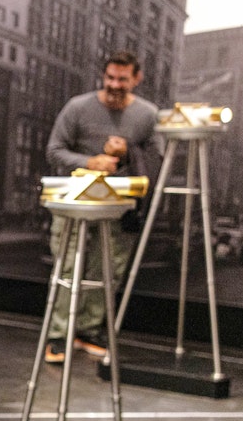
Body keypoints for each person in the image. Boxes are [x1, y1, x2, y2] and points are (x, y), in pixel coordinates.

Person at [43, 50, 161, 364]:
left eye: (122, 79)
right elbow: (54, 151)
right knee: (67, 267)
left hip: (118, 206)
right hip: (73, 202)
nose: (114, 84)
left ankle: (87, 331)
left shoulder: (147, 115)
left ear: (136, 79)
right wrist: (89, 161)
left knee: (108, 267)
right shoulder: (78, 107)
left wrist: (125, 154)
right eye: (110, 77)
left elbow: (156, 162)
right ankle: (59, 334)